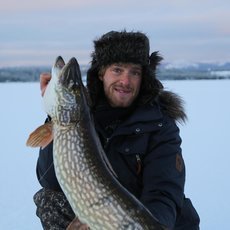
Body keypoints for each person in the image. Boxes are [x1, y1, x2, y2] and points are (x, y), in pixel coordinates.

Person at [33, 30, 200, 229]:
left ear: (143, 77)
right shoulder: (81, 116)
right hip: (101, 211)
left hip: (149, 219)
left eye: (134, 72)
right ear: (102, 73)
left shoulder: (160, 125)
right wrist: (54, 114)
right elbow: (48, 179)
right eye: (118, 70)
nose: (126, 81)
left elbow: (163, 193)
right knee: (48, 199)